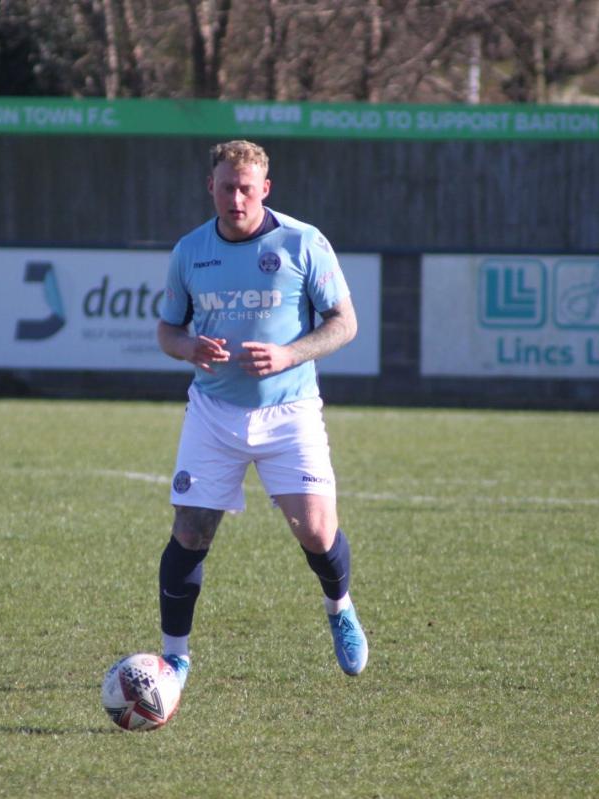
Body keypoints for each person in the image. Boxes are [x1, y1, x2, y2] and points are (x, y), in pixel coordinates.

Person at [155, 139, 368, 689]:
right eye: (226, 187)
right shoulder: (190, 251)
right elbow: (168, 329)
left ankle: (339, 606)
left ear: (265, 189)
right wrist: (189, 347)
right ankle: (174, 659)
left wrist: (289, 354)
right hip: (213, 412)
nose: (236, 199)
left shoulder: (303, 242)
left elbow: (345, 323)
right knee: (190, 531)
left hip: (289, 410)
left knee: (316, 532)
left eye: (246, 189)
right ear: (211, 187)